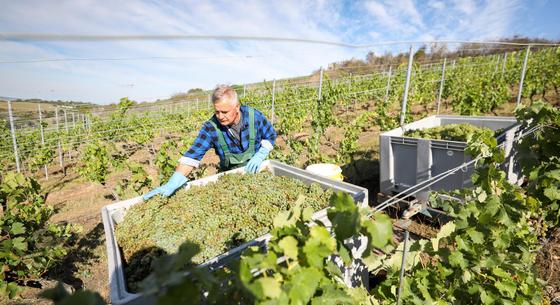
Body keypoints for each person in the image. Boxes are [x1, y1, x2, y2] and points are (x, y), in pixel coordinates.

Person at [143, 84, 277, 199]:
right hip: (231, 176)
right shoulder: (211, 127)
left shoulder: (254, 117)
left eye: (224, 112)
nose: (220, 117)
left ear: (237, 107)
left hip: (258, 170)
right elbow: (193, 155)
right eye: (217, 111)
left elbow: (270, 135)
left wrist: (260, 155)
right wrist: (173, 182)